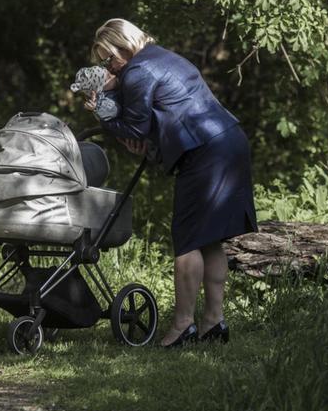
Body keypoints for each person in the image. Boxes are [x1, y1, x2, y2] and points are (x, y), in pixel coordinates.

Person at [84, 18, 257, 347]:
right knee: (211, 239)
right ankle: (213, 324)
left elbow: (135, 128)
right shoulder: (163, 57)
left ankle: (182, 327)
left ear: (124, 46)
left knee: (188, 239)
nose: (110, 68)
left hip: (204, 151)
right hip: (231, 141)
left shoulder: (138, 70)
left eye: (109, 59)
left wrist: (104, 114)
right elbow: (156, 115)